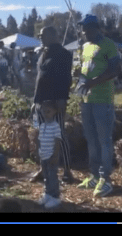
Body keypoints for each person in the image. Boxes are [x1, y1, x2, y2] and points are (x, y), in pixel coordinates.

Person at [74, 15, 121, 198]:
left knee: (104, 139)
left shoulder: (108, 44)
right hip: (86, 99)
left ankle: (105, 179)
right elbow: (83, 68)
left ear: (94, 28)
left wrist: (93, 82)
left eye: (85, 28)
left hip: (102, 99)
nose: (83, 32)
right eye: (82, 29)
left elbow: (115, 70)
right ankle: (94, 175)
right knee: (91, 138)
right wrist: (78, 74)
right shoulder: (84, 46)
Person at [31, 26, 74, 184]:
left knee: (59, 135)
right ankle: (44, 169)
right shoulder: (44, 53)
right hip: (41, 101)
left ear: (53, 35)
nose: (40, 37)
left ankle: (67, 171)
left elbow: (65, 79)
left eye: (43, 35)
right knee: (42, 136)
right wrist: (35, 100)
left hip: (54, 102)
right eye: (40, 35)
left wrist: (61, 99)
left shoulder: (63, 54)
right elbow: (40, 78)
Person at [34, 100, 64, 209]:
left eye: (48, 111)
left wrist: (55, 155)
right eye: (44, 111)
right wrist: (38, 152)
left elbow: (57, 141)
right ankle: (47, 194)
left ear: (54, 112)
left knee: (52, 176)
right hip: (44, 155)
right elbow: (39, 140)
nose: (46, 114)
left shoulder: (55, 126)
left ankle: (55, 197)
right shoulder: (42, 126)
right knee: (46, 176)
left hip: (51, 155)